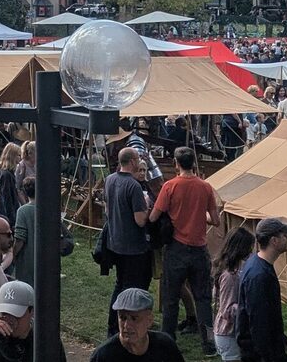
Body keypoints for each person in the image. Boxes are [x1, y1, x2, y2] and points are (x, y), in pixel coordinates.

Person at [149, 147, 220, 355]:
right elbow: (215, 220)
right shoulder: (206, 187)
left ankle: (167, 343)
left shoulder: (170, 186)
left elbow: (153, 217)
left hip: (176, 249)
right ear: (194, 162)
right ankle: (208, 345)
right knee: (203, 299)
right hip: (199, 250)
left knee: (171, 299)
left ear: (176, 163)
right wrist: (200, 217)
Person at [104, 147, 152, 337]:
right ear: (132, 162)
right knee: (132, 287)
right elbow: (140, 220)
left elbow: (107, 210)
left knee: (120, 284)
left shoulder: (110, 179)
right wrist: (148, 207)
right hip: (133, 246)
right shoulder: (133, 186)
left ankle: (112, 326)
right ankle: (128, 323)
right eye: (138, 158)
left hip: (115, 243)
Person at [236, 218, 287, 362]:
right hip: (260, 353)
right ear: (274, 241)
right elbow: (258, 320)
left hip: (268, 347)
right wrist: (268, 355)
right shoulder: (259, 275)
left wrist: (282, 338)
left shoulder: (260, 264)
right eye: (284, 236)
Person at [0, 280, 67, 362]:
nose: (9, 320)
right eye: (4, 314)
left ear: (31, 311)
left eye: (15, 314)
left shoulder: (45, 340)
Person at [91, 288, 184, 362]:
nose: (127, 325)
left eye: (134, 318)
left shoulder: (165, 346)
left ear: (149, 320)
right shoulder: (103, 356)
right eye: (122, 318)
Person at [213, 227, 256, 362]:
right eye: (249, 247)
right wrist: (249, 308)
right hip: (228, 333)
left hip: (229, 333)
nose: (251, 251)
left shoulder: (234, 271)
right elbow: (227, 310)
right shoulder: (230, 276)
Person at [11, 177, 38, 286]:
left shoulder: (23, 211)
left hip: (28, 259)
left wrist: (12, 255)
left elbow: (20, 239)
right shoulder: (49, 208)